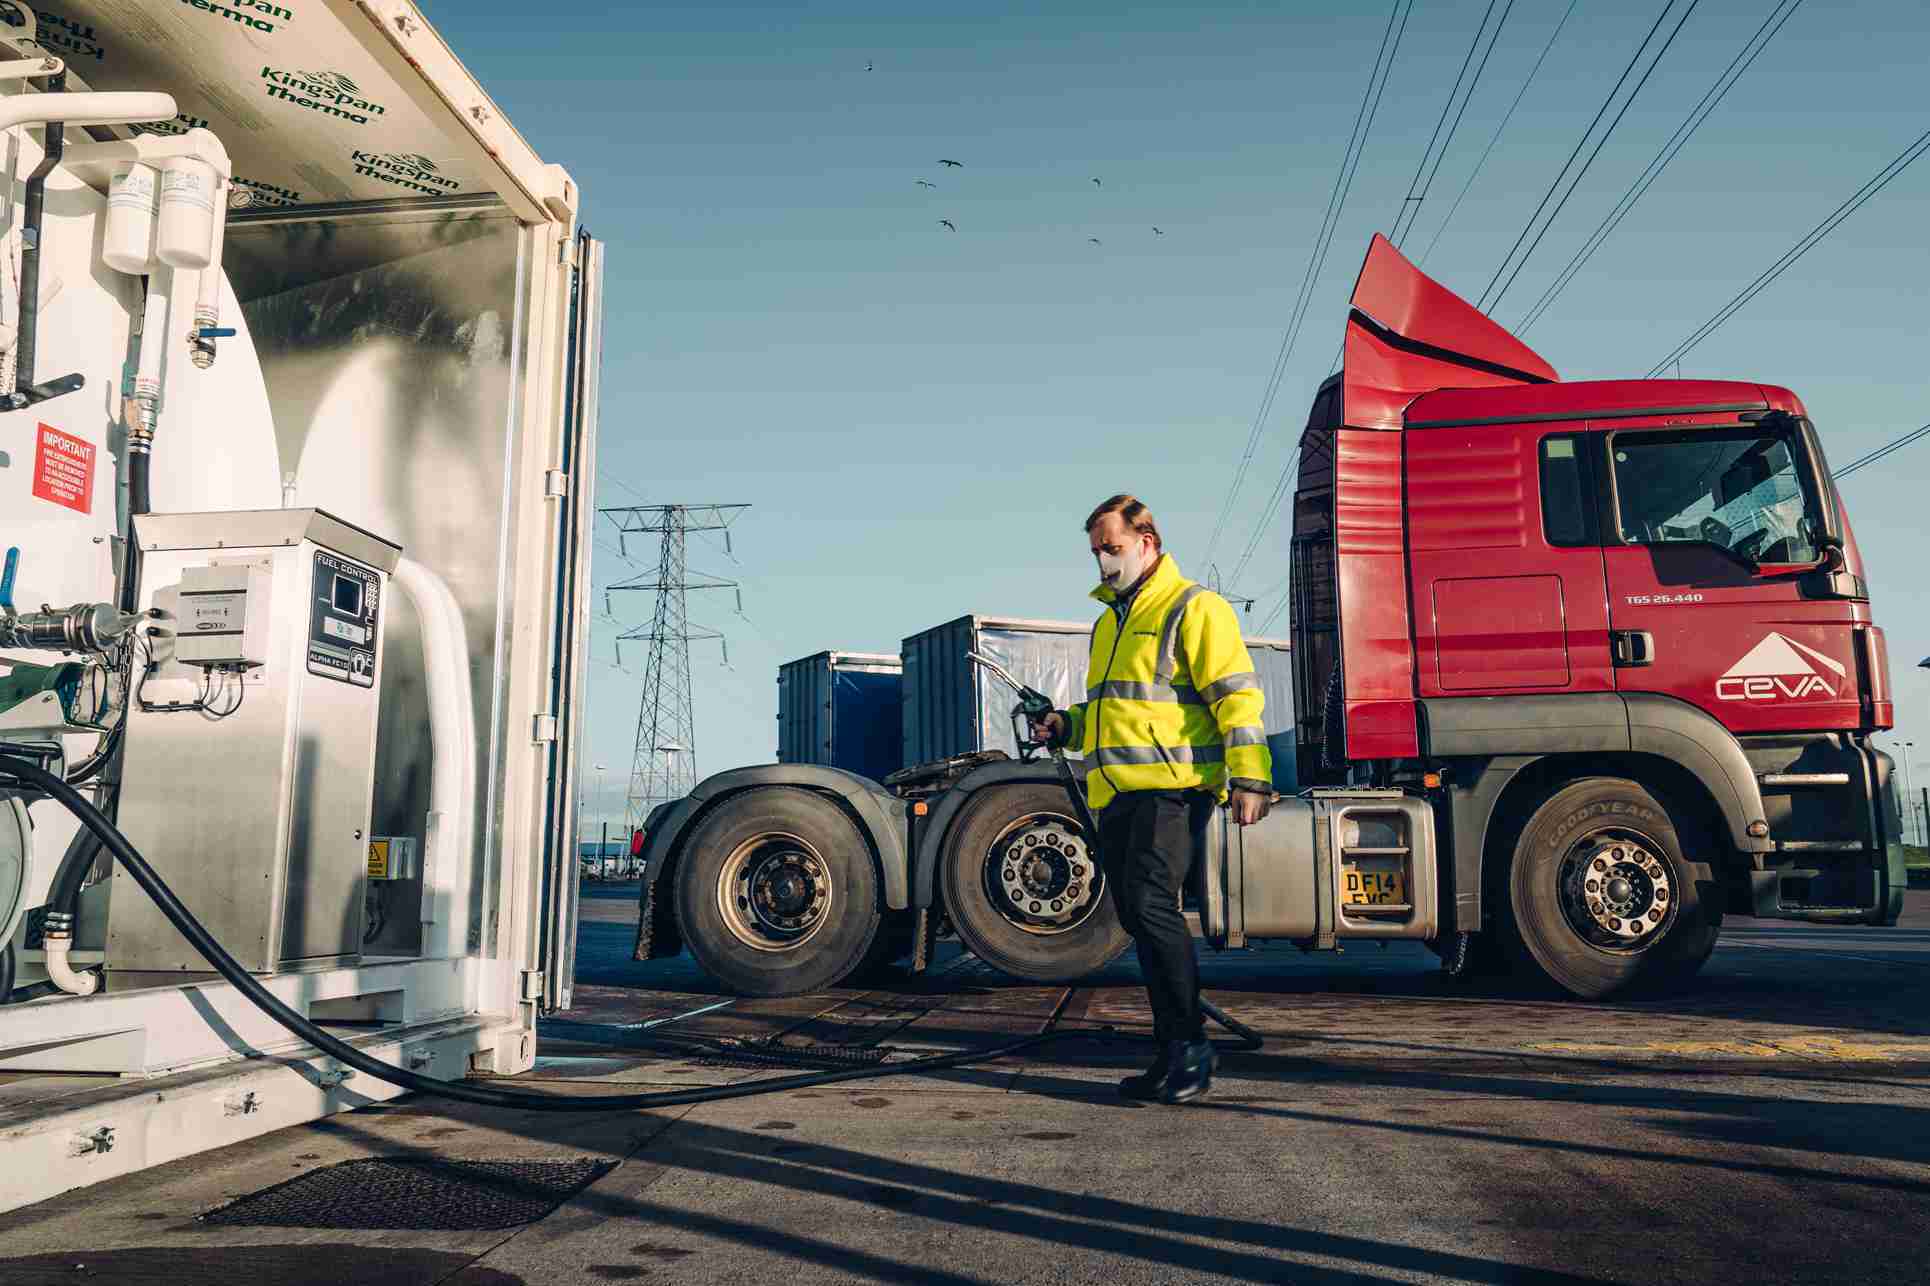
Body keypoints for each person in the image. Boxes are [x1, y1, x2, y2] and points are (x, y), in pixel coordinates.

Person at [1032, 494, 1272, 1104]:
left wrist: (1250, 777)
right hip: (1120, 794)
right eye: (1095, 552)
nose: (1103, 563)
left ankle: (1191, 1050)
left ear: (1148, 541)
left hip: (1173, 790)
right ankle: (1173, 1053)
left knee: (1152, 910)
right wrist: (1068, 724)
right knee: (1140, 916)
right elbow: (1118, 711)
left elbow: (1236, 699)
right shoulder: (1112, 619)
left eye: (1111, 549)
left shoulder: (1195, 608)